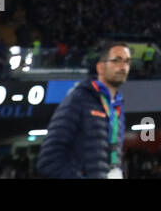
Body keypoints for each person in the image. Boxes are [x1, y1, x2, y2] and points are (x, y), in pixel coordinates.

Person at [37, 41, 129, 178]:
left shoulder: (117, 108)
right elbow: (48, 161)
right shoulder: (78, 100)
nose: (123, 67)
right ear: (100, 68)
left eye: (127, 62)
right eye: (117, 60)